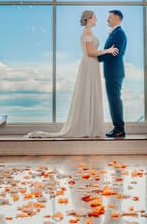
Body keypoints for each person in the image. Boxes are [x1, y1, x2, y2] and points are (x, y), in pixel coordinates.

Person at [26, 10, 118, 139]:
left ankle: (90, 126)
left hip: (92, 64)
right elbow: (90, 52)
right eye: (94, 17)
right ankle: (87, 127)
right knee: (87, 92)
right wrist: (107, 50)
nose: (96, 19)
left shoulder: (89, 32)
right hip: (89, 64)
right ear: (89, 18)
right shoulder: (87, 32)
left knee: (90, 92)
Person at [97, 10, 127, 139]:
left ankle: (119, 129)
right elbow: (109, 52)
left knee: (114, 100)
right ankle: (117, 127)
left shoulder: (119, 33)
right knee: (113, 99)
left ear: (117, 18)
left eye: (109, 17)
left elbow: (115, 53)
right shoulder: (115, 33)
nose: (107, 19)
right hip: (112, 72)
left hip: (114, 72)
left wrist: (96, 58)